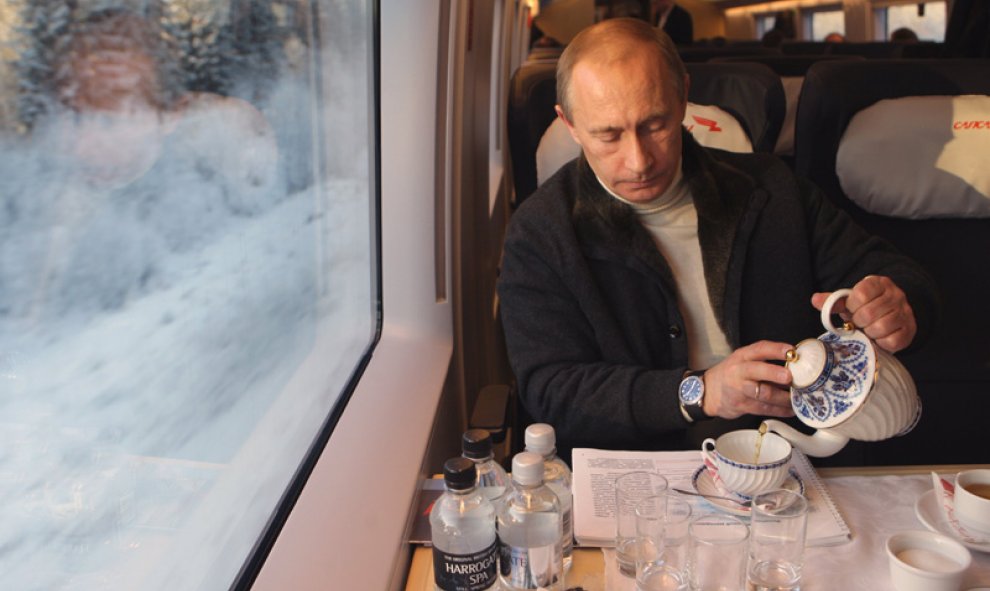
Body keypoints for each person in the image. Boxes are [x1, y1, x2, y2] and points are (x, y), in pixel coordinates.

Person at [496, 18, 937, 459]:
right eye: (607, 135)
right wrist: (699, 392)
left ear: (683, 97)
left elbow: (893, 274)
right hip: (639, 469)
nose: (638, 161)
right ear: (569, 124)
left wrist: (898, 306)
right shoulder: (540, 235)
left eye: (655, 125)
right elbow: (552, 391)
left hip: (790, 461)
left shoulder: (773, 190)